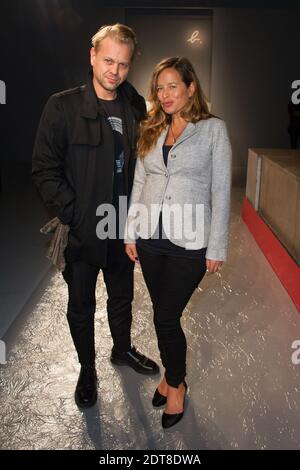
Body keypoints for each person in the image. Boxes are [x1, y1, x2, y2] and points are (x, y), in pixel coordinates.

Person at [32, 24, 159, 410]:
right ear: (92, 56)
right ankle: (87, 369)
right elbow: (44, 170)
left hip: (122, 227)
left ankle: (121, 350)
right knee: (81, 304)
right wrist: (77, 215)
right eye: (108, 60)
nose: (114, 71)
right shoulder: (63, 106)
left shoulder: (135, 105)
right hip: (84, 231)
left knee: (122, 296)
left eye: (122, 64)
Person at [125, 57, 232, 429]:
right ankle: (171, 377)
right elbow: (140, 182)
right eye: (160, 87)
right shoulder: (151, 127)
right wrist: (131, 231)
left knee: (167, 317)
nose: (166, 94)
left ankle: (177, 385)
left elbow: (221, 190)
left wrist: (217, 247)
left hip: (190, 241)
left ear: (190, 87)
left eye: (173, 86)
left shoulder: (213, 130)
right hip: (152, 239)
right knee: (161, 313)